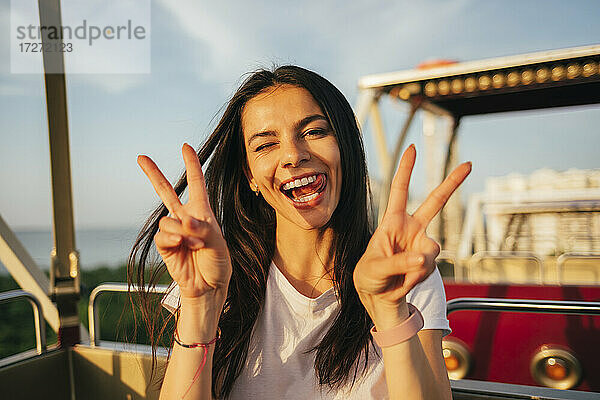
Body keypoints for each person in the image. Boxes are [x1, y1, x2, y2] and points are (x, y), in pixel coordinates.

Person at [129, 65, 471, 400]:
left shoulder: (405, 273)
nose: (293, 155)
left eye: (314, 132)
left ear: (346, 148)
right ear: (250, 177)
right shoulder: (214, 273)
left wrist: (389, 312)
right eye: (265, 145)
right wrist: (201, 305)